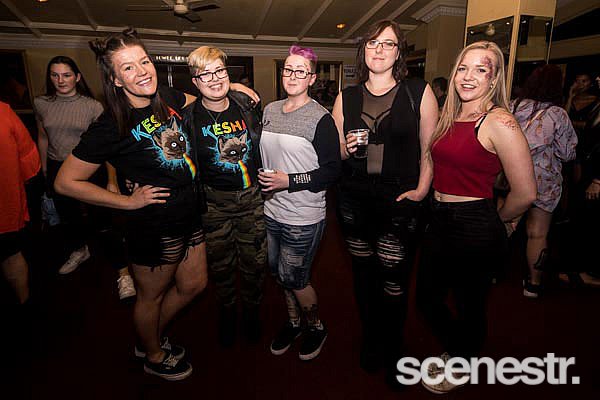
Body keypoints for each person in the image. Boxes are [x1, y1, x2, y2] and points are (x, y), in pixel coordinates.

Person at [54, 28, 208, 381]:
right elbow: (65, 182)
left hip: (189, 211)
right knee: (150, 297)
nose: (142, 72)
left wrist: (235, 88)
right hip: (153, 225)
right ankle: (152, 354)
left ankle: (148, 335)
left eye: (144, 61)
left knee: (194, 285)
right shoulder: (110, 124)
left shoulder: (166, 96)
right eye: (128, 67)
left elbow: (199, 99)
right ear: (115, 79)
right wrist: (126, 201)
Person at [416, 41, 536, 394]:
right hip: (438, 216)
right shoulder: (450, 115)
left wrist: (499, 221)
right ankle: (462, 348)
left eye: (481, 69)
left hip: (474, 222)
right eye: (463, 68)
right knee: (426, 299)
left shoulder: (499, 121)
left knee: (469, 304)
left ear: (494, 78)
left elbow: (526, 192)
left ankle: (462, 359)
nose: (468, 77)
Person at [331, 20, 439, 388]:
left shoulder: (418, 91)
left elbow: (429, 148)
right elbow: (337, 151)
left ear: (398, 52)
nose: (379, 50)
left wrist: (422, 189)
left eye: (388, 43)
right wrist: (347, 146)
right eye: (372, 43)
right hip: (354, 197)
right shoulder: (346, 96)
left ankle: (394, 347)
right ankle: (371, 338)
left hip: (399, 198)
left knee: (394, 278)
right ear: (363, 50)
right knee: (363, 275)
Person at [259, 45, 341, 361]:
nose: (293, 76)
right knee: (279, 274)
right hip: (271, 211)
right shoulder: (270, 110)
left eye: (301, 71)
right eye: (288, 69)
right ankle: (294, 323)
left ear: (312, 78)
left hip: (303, 217)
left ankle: (316, 326)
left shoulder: (321, 119)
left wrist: (289, 181)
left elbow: (332, 171)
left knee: (295, 277)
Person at [183, 46, 266, 348]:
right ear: (195, 81)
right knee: (221, 267)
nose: (215, 79)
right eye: (205, 74)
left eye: (219, 71)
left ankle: (253, 313)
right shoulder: (188, 117)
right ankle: (228, 313)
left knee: (255, 264)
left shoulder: (247, 104)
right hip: (212, 204)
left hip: (252, 200)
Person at [509, 64, 577, 298]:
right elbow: (567, 153)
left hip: (512, 175)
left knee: (505, 224)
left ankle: (489, 273)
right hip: (543, 180)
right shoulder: (557, 114)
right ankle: (533, 284)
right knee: (537, 233)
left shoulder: (513, 106)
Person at [34, 56, 103, 275]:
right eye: (55, 75)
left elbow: (103, 143)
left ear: (77, 77)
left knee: (98, 211)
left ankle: (108, 253)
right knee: (67, 213)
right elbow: (42, 136)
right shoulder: (41, 103)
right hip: (56, 163)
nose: (60, 80)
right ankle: (79, 250)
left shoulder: (93, 106)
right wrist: (44, 167)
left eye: (66, 75)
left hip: (87, 166)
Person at [560, 72, 600, 287]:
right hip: (581, 159)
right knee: (582, 214)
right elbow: (565, 122)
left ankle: (579, 268)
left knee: (586, 217)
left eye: (585, 80)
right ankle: (576, 269)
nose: (598, 80)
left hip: (590, 165)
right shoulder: (583, 102)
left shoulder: (595, 102)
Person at [1, 101, 41, 306]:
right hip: (6, 205)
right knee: (11, 254)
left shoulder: (3, 112)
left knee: (11, 254)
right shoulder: (3, 111)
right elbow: (28, 159)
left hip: (5, 204)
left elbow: (27, 155)